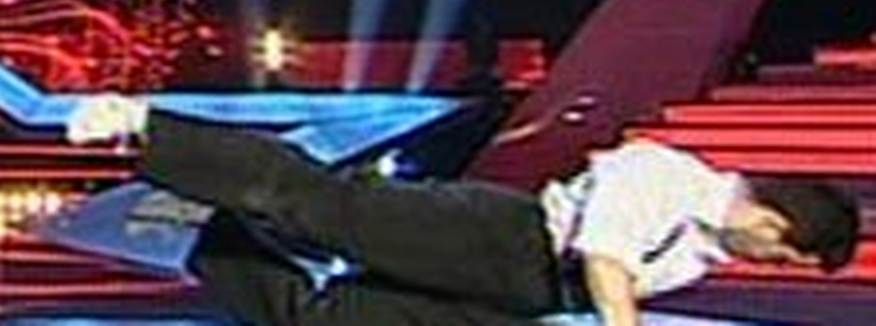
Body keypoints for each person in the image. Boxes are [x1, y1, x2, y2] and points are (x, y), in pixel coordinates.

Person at [66, 95, 860, 326]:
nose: (766, 264)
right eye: (781, 255)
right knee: (320, 204)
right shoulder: (671, 176)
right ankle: (143, 123)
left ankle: (216, 239)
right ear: (777, 224)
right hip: (499, 237)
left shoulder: (698, 256)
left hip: (518, 300)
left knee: (328, 324)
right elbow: (606, 257)